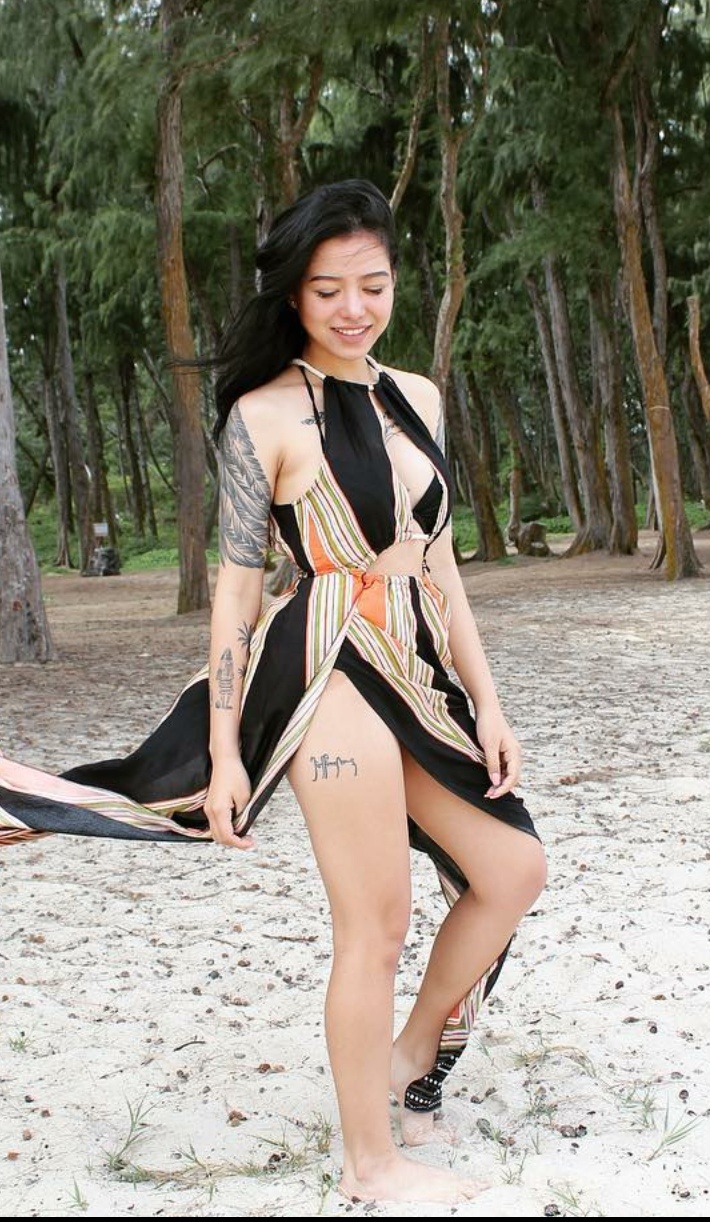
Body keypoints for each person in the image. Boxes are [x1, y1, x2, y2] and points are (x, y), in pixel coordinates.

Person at [0, 179, 547, 1206]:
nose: (352, 307)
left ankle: (408, 1053)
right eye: (327, 289)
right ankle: (369, 1163)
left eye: (372, 284)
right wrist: (223, 750)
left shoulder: (419, 396)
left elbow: (438, 565)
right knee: (375, 921)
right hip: (324, 669)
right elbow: (237, 594)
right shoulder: (262, 416)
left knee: (513, 867)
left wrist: (488, 701)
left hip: (416, 665)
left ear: (395, 281)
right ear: (294, 294)